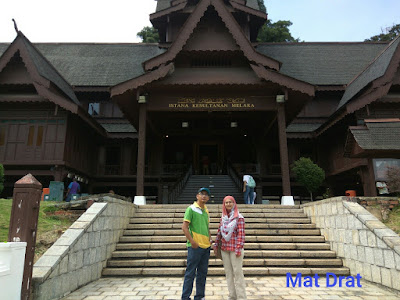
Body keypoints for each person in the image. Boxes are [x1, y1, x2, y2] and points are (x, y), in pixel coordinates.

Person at [181, 187, 212, 300]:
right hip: (195, 247)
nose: (204, 196)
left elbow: (206, 227)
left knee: (202, 273)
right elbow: (184, 227)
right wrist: (192, 242)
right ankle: (185, 297)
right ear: (197, 196)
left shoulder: (206, 210)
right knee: (190, 273)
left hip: (206, 246)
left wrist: (210, 239)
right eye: (201, 194)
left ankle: (200, 296)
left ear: (208, 198)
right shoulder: (191, 209)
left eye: (206, 195)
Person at [213, 195, 246, 300]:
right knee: (228, 273)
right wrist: (216, 244)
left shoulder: (239, 218)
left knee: (238, 273)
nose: (228, 204)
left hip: (235, 249)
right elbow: (219, 232)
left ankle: (241, 297)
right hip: (224, 249)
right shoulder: (223, 218)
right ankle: (232, 295)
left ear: (234, 203)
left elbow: (241, 234)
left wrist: (238, 248)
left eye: (230, 202)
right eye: (226, 202)